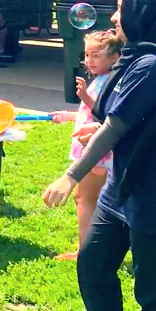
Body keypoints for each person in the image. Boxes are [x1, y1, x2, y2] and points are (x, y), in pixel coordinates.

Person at [43, 0, 156, 311]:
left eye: (121, 8)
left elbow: (116, 126)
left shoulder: (153, 65)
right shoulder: (135, 59)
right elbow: (120, 120)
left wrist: (71, 176)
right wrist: (96, 129)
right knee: (93, 265)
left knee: (153, 291)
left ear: (144, 15)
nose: (115, 16)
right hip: (125, 184)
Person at [46, 30, 122, 261]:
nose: (89, 60)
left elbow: (106, 114)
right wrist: (68, 115)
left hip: (97, 151)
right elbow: (89, 113)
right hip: (95, 149)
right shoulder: (101, 80)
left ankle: (86, 253)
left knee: (84, 198)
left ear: (114, 58)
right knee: (93, 199)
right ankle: (93, 249)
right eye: (87, 55)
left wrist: (85, 98)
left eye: (96, 55)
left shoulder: (110, 82)